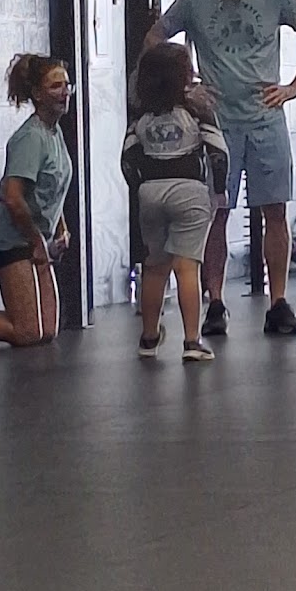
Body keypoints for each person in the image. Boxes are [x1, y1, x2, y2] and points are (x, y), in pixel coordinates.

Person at [142, 0, 296, 337]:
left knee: (274, 210)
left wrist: (294, 87)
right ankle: (216, 302)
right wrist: (185, 87)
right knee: (216, 212)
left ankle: (278, 301)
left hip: (265, 118)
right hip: (219, 123)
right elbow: (155, 38)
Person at [122, 42, 230, 362]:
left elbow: (127, 159)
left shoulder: (141, 116)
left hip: (150, 191)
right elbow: (218, 152)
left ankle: (149, 337)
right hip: (189, 191)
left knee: (154, 266)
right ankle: (192, 342)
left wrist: (139, 189)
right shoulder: (197, 111)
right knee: (187, 267)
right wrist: (219, 191)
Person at [0, 54, 74, 347]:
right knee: (28, 332)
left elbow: (54, 188)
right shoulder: (30, 138)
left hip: (35, 237)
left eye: (67, 85)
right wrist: (36, 241)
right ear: (37, 94)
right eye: (55, 86)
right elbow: (12, 197)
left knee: (47, 330)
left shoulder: (55, 132)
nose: (65, 92)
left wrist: (60, 228)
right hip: (10, 241)